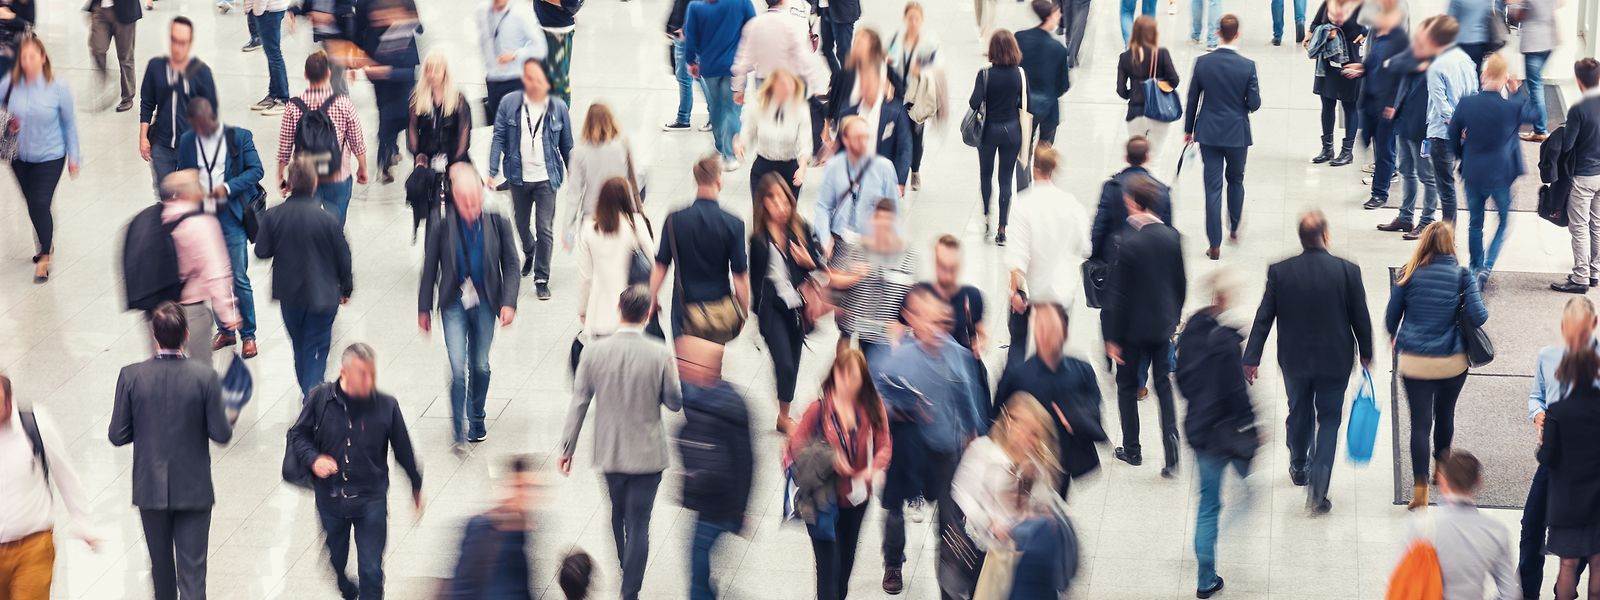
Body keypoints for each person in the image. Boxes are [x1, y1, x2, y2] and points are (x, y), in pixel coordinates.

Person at [1242, 211, 1372, 513]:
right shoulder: (1347, 271)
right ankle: (1318, 489)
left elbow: (1264, 317)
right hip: (1335, 360)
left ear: (1302, 239)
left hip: (1294, 360)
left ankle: (1298, 465)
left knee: (1298, 410)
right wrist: (1367, 353)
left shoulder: (1280, 271)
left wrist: (1252, 357)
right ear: (1326, 235)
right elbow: (1360, 317)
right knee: (1328, 421)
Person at [559, 286, 683, 600]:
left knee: (617, 514)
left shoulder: (593, 351)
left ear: (618, 309)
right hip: (648, 453)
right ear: (647, 314)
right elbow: (674, 401)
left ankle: (625, 567)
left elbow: (579, 401)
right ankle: (630, 591)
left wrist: (567, 448)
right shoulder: (659, 353)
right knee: (640, 522)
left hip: (609, 450)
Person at [109, 301, 236, 600]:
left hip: (150, 489)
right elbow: (220, 434)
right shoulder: (205, 378)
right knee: (193, 575)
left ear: (154, 335)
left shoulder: (131, 376)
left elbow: (118, 434)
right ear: (186, 335)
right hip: (194, 489)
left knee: (161, 570)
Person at [872, 287, 988, 596]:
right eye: (926, 318)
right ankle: (893, 561)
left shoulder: (957, 355)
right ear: (910, 319)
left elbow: (968, 401)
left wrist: (972, 438)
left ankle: (948, 589)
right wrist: (900, 409)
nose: (935, 327)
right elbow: (877, 400)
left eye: (939, 320)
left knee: (950, 524)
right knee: (894, 509)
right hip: (907, 450)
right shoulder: (896, 359)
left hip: (945, 453)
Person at [287, 343, 424, 600]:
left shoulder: (386, 406)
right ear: (344, 373)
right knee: (336, 558)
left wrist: (416, 485)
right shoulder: (320, 399)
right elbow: (298, 435)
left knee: (371, 570)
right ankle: (343, 583)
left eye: (372, 374)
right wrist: (314, 459)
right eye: (362, 374)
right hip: (331, 498)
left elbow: (403, 448)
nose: (369, 381)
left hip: (371, 499)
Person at [1385, 222, 1488, 509]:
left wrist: (1396, 336)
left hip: (1415, 361)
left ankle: (1419, 489)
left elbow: (1391, 318)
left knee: (1420, 423)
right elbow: (1479, 317)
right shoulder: (1461, 275)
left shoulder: (1409, 272)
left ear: (1425, 243)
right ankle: (1441, 471)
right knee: (1445, 415)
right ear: (1451, 245)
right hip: (1451, 362)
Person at [420, 165, 520, 447]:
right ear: (454, 198)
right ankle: (457, 427)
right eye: (464, 203)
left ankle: (476, 415)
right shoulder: (441, 226)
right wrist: (423, 308)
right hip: (453, 302)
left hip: (487, 301)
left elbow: (511, 264)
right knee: (457, 366)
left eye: (475, 201)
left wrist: (509, 302)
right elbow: (429, 268)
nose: (471, 207)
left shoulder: (498, 222)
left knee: (480, 365)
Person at [1175, 267, 1256, 600]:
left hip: (1199, 431)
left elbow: (1180, 380)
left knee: (1207, 503)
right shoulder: (1226, 342)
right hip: (1227, 434)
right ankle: (1214, 542)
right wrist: (1252, 424)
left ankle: (1205, 576)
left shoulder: (1191, 331)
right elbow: (1238, 393)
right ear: (1224, 298)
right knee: (1248, 494)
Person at [788, 349, 891, 600]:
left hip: (856, 499)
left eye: (853, 378)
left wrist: (874, 468)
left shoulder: (872, 407)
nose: (847, 383)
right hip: (822, 500)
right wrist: (830, 458)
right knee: (828, 572)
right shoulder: (819, 409)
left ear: (862, 380)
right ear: (834, 375)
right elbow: (794, 447)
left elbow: (884, 444)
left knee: (845, 567)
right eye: (842, 376)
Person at [1103, 174, 1185, 476]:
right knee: (1164, 387)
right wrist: (1173, 319)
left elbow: (1119, 296)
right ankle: (1172, 450)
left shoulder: (1126, 242)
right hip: (1162, 328)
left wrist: (1112, 337)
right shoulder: (1172, 237)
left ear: (1135, 203)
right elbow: (1180, 283)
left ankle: (1133, 449)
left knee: (1126, 387)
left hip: (1132, 332)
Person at [255, 158, 354, 396]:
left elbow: (261, 251)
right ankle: (313, 399)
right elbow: (343, 256)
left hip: (290, 296)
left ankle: (310, 396)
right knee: (316, 348)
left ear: (289, 184)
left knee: (300, 348)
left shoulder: (273, 215)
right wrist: (346, 288)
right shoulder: (329, 216)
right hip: (323, 295)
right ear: (315, 183)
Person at [175, 98, 264, 359]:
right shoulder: (188, 141)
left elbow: (256, 170)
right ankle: (226, 330)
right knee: (210, 276)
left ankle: (249, 335)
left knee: (238, 277)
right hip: (202, 219)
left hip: (231, 216)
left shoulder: (239, 137)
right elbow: (183, 172)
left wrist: (226, 188)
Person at [950, 394, 1061, 598]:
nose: (1029, 438)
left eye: (1035, 433)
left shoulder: (1037, 460)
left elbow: (1044, 499)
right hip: (991, 554)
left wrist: (1041, 512)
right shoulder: (984, 450)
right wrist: (989, 522)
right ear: (1010, 421)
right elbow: (961, 490)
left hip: (1024, 554)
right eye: (1026, 429)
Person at [1521, 297, 1597, 598]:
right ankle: (1528, 591)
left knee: (1580, 542)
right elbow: (1536, 396)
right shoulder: (1548, 356)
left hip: (1587, 463)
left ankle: (1563, 591)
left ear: (1592, 326)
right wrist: (1538, 414)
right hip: (1553, 458)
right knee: (1531, 526)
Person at [994, 302, 1106, 498]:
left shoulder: (1082, 370)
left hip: (1062, 466)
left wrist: (1076, 419)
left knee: (1054, 508)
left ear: (1064, 332)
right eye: (1040, 328)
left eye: (1051, 328)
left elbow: (1095, 410)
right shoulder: (1019, 375)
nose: (1045, 335)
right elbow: (997, 416)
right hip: (1025, 464)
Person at [0, 372, 98, 598]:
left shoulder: (34, 424)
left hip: (33, 546)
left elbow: (65, 473)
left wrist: (84, 522)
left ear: (10, 399)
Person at [1451, 54, 1540, 285]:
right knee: (1502, 221)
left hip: (1473, 173)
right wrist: (1516, 91)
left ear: (1482, 76)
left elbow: (1452, 137)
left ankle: (1475, 266)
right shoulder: (1510, 108)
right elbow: (1536, 114)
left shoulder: (1466, 104)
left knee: (1475, 223)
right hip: (1502, 175)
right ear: (1504, 78)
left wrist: (1464, 156)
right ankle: (1487, 267)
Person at [677, 336, 754, 600]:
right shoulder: (697, 395)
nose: (680, 366)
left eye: (686, 361)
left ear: (707, 368)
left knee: (697, 566)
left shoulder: (728, 406)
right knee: (697, 562)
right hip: (706, 498)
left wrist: (741, 508)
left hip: (720, 504)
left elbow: (746, 460)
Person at [488, 59, 573, 298]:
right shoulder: (509, 104)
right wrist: (491, 171)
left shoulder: (558, 108)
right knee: (521, 224)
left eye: (540, 80)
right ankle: (530, 249)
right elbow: (498, 137)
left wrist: (574, 176)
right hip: (518, 177)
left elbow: (567, 145)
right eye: (531, 79)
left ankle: (541, 277)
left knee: (544, 227)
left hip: (547, 178)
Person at [647, 156, 752, 340]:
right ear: (719, 180)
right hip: (718, 310)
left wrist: (652, 299)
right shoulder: (733, 223)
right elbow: (740, 275)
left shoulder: (675, 220)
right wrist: (742, 311)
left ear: (696, 180)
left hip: (683, 308)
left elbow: (661, 266)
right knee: (711, 364)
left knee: (686, 365)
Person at [2, 36, 78, 284]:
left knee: (39, 201)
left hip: (51, 155)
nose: (27, 63)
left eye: (32, 57)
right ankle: (46, 240)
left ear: (43, 58)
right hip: (20, 157)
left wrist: (74, 156)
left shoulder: (58, 88)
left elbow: (69, 124)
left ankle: (45, 255)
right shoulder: (10, 85)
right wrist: (8, 123)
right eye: (23, 58)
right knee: (33, 203)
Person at [750, 173, 822, 432]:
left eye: (784, 200)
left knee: (794, 360)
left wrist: (807, 262)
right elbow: (755, 278)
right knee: (785, 362)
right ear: (764, 204)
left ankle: (784, 414)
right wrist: (756, 316)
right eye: (774, 201)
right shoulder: (758, 240)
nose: (781, 207)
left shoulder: (800, 228)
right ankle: (784, 416)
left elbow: (818, 264)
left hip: (797, 309)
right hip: (772, 310)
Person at [1006, 144, 1089, 366]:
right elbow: (1084, 247)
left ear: (1033, 168)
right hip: (1062, 291)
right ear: (1053, 169)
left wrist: (1015, 292)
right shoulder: (1071, 205)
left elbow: (1017, 255)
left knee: (1018, 344)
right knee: (1055, 348)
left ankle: (1013, 395)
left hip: (1032, 290)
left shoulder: (1023, 204)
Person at [1184, 15, 1260, 260]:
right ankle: (1234, 228)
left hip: (1208, 133)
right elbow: (1255, 104)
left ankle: (1214, 244)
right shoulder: (1247, 66)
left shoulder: (1202, 63)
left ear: (1218, 33)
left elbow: (1192, 100)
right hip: (1237, 133)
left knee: (1212, 188)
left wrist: (1188, 130)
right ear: (1237, 34)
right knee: (1236, 180)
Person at [1398, 450, 1521, 599]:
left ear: (1443, 481)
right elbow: (1510, 593)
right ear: (1478, 482)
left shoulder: (1421, 525)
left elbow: (1400, 579)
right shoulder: (1496, 531)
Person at [158, 170, 241, 368]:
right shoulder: (201, 223)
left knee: (166, 370)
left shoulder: (159, 217)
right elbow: (215, 272)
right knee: (201, 374)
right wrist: (228, 313)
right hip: (190, 310)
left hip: (159, 312)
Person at [276, 50, 370, 224]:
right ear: (328, 73)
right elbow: (357, 141)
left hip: (305, 178)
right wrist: (362, 167)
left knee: (307, 226)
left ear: (305, 75)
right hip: (338, 176)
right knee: (335, 227)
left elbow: (285, 146)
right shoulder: (343, 103)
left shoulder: (293, 107)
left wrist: (281, 175)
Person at [1538, 347, 1600, 600]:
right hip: (1598, 498)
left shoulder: (1558, 411)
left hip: (1567, 500)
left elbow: (1547, 458)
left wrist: (1542, 444)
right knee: (1598, 564)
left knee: (1567, 564)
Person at [829, 198, 916, 362]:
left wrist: (905, 324)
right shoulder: (857, 249)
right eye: (879, 220)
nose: (883, 227)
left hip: (889, 336)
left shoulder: (908, 255)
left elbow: (916, 294)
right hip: (858, 330)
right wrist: (854, 277)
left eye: (888, 221)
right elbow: (832, 277)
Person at [140, 17, 218, 197]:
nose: (177, 47)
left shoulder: (201, 73)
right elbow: (147, 102)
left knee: (190, 198)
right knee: (164, 194)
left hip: (191, 147)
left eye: (182, 43)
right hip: (162, 145)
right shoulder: (156, 67)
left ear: (190, 43)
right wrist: (143, 136)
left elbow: (211, 112)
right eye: (174, 40)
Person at [441, 455, 537, 599]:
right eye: (519, 487)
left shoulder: (520, 534)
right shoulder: (481, 530)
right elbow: (462, 589)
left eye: (530, 489)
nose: (523, 496)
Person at [1418, 15, 1478, 232]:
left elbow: (1441, 105)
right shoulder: (1466, 60)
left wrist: (1455, 125)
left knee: (1445, 189)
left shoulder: (1436, 67)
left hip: (1442, 134)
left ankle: (1447, 237)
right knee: (1451, 185)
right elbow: (1473, 95)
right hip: (1463, 132)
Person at [1377, 30, 1440, 234]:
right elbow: (1393, 71)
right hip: (1404, 125)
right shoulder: (1411, 65)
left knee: (1427, 176)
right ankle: (1405, 217)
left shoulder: (1438, 69)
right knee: (1406, 172)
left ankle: (1427, 220)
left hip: (1424, 130)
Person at [577, 179, 654, 344]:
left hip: (599, 313)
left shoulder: (589, 227)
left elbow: (586, 277)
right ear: (627, 198)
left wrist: (583, 308)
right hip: (632, 310)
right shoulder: (636, 223)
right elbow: (652, 263)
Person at [354, 1, 421, 186]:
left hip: (401, 92)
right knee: (386, 127)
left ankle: (412, 161)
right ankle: (385, 160)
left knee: (407, 125)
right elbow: (359, 28)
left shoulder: (403, 33)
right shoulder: (372, 34)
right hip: (384, 91)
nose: (377, 18)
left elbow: (410, 70)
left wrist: (384, 72)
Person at [684, 0, 756, 170]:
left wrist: (690, 61)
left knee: (716, 107)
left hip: (709, 67)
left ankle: (720, 145)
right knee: (732, 109)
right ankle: (730, 155)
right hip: (735, 66)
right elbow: (754, 27)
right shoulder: (741, 2)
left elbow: (691, 36)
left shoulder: (695, 7)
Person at [971, 29, 1027, 245]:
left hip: (989, 132)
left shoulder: (984, 75)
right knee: (1006, 178)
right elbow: (1025, 104)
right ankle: (1002, 228)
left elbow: (973, 103)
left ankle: (986, 216)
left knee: (986, 175)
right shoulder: (1019, 74)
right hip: (1012, 131)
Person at [1554, 59, 1600, 294]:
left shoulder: (1578, 109)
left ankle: (1580, 277)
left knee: (1579, 226)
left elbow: (1568, 145)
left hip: (1583, 175)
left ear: (1579, 81)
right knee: (1596, 224)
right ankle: (1594, 272)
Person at [838, 48, 913, 189]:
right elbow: (841, 148)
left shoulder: (895, 112)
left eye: (870, 81)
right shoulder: (847, 112)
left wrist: (900, 181)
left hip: (883, 183)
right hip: (853, 184)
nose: (866, 86)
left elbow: (905, 149)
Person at [564, 102, 636, 248]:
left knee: (593, 261)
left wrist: (567, 230)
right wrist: (635, 213)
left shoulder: (578, 152)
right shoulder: (622, 144)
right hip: (620, 210)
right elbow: (632, 181)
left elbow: (574, 192)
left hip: (592, 213)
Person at [1090, 136, 1172, 262]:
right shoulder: (1161, 189)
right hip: (1150, 256)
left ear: (1126, 158)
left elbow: (1101, 223)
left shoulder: (1111, 186)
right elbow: (1167, 227)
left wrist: (1094, 255)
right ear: (1147, 158)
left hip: (1116, 256)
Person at [1358, 3, 1408, 210]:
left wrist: (1393, 104)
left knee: (1385, 149)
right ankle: (1383, 175)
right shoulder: (1380, 38)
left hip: (1387, 106)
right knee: (1368, 140)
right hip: (1371, 101)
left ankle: (1380, 192)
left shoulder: (1401, 42)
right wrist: (1360, 68)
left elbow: (1403, 77)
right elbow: (1372, 63)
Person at [887, 2, 940, 189]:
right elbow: (888, 64)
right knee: (898, 134)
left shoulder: (929, 44)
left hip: (917, 97)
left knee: (916, 137)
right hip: (899, 95)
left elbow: (934, 69)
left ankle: (915, 170)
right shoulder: (896, 40)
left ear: (921, 20)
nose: (913, 22)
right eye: (910, 18)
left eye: (917, 18)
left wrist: (921, 71)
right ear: (905, 18)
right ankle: (897, 172)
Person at [737, 69, 813, 200]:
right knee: (761, 214)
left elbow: (805, 142)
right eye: (782, 85)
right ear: (773, 85)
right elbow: (748, 133)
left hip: (789, 168)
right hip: (763, 165)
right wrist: (741, 144)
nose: (786, 90)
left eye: (790, 85)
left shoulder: (801, 108)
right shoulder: (758, 105)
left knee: (787, 215)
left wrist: (802, 168)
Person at [1306, 0, 1364, 167]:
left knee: (1349, 105)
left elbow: (1371, 27)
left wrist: (1365, 33)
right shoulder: (1328, 2)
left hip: (1350, 61)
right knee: (1327, 102)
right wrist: (1314, 35)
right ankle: (1327, 149)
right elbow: (1316, 23)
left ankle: (1347, 152)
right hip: (1328, 62)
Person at [730, 0, 825, 101]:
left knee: (767, 115)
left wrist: (738, 88)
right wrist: (814, 85)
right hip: (791, 79)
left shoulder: (754, 24)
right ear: (782, 2)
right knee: (792, 115)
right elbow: (803, 56)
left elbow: (744, 61)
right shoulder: (793, 21)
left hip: (765, 80)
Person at [1116, 16, 1179, 165]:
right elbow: (1174, 81)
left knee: (1136, 160)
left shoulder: (1125, 57)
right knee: (1154, 159)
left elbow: (1120, 90)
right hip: (1159, 112)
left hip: (1135, 112)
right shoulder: (1161, 54)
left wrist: (1133, 93)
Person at [477, 0, 545, 118]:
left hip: (515, 80)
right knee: (499, 129)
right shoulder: (482, 11)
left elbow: (540, 48)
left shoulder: (521, 12)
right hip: (493, 82)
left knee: (514, 128)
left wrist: (515, 55)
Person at [1017, 1, 1072, 147]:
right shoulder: (1058, 49)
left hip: (1023, 104)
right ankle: (1040, 169)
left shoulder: (1020, 38)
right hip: (1049, 107)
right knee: (1045, 150)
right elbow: (1064, 85)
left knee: (1023, 149)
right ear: (1049, 17)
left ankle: (1024, 169)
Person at [407, 50, 472, 172]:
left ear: (444, 73)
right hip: (426, 155)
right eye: (428, 70)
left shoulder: (458, 99)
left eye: (436, 71)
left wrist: (455, 161)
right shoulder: (416, 97)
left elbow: (464, 133)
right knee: (416, 187)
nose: (431, 75)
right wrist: (418, 155)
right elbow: (412, 128)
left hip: (454, 155)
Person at [86, 0, 141, 112]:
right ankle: (110, 80)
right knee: (97, 48)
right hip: (100, 9)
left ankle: (127, 97)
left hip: (125, 11)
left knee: (125, 57)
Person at [1513, 0, 1556, 143]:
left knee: (1535, 86)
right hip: (1549, 39)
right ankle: (1539, 128)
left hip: (1534, 42)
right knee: (1537, 83)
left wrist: (1514, 5)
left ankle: (1540, 130)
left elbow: (1519, 15)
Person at [665, 0, 710, 132]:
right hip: (683, 32)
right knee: (687, 77)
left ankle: (684, 119)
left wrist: (682, 28)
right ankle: (684, 118)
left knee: (691, 77)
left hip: (686, 34)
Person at [245, 0, 290, 115]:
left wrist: (258, 10)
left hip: (268, 10)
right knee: (272, 54)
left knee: (274, 55)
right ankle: (273, 94)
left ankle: (283, 98)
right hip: (270, 8)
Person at [535, 0, 581, 105]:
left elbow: (571, 3)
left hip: (558, 32)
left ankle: (560, 117)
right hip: (541, 27)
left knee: (558, 83)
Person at [1446, 0, 1493, 68]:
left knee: (1459, 70)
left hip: (1461, 41)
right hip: (1480, 42)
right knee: (1475, 70)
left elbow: (1449, 20)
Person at [817, 0, 860, 73]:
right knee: (826, 48)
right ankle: (837, 78)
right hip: (825, 9)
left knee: (843, 52)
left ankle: (846, 81)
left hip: (843, 11)